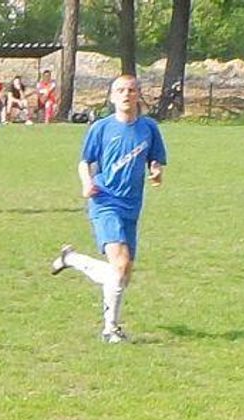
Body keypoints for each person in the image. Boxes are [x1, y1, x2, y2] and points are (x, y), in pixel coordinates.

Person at [51, 75, 166, 343]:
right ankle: (110, 330)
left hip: (132, 205)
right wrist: (87, 182)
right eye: (121, 90)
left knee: (124, 274)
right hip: (104, 200)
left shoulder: (149, 128)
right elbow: (85, 162)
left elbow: (155, 160)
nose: (126, 94)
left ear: (138, 95)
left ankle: (71, 259)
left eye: (132, 90)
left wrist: (156, 171)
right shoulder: (101, 128)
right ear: (112, 97)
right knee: (120, 265)